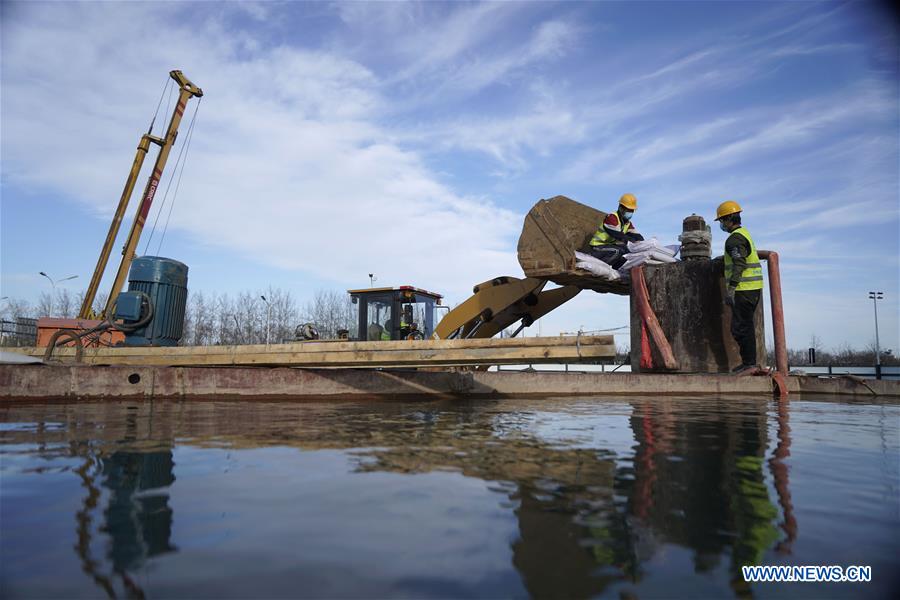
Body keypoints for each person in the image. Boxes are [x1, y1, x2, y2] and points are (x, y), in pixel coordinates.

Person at [715, 200, 763, 373]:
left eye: (721, 221)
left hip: (744, 290)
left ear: (728, 219)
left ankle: (749, 363)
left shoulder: (734, 239)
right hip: (752, 289)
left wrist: (731, 288)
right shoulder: (744, 234)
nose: (721, 224)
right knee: (745, 326)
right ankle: (749, 362)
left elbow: (739, 263)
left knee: (741, 327)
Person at [587, 193, 645, 268]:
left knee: (627, 254)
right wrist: (631, 241)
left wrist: (643, 244)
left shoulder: (627, 223)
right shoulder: (612, 218)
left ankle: (615, 271)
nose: (630, 213)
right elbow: (618, 235)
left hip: (608, 247)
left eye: (632, 211)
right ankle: (598, 267)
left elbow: (637, 235)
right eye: (628, 210)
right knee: (617, 251)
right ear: (621, 208)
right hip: (597, 247)